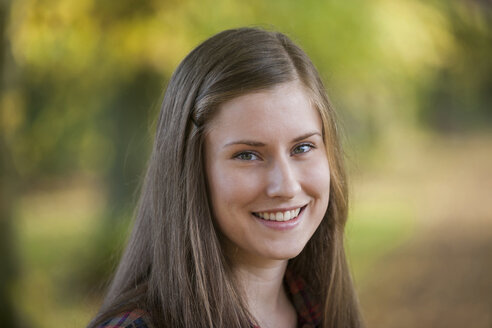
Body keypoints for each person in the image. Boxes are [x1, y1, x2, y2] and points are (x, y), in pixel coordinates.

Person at [88, 27, 364, 328]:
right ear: (190, 170)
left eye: (303, 147)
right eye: (247, 155)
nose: (286, 186)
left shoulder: (321, 311)